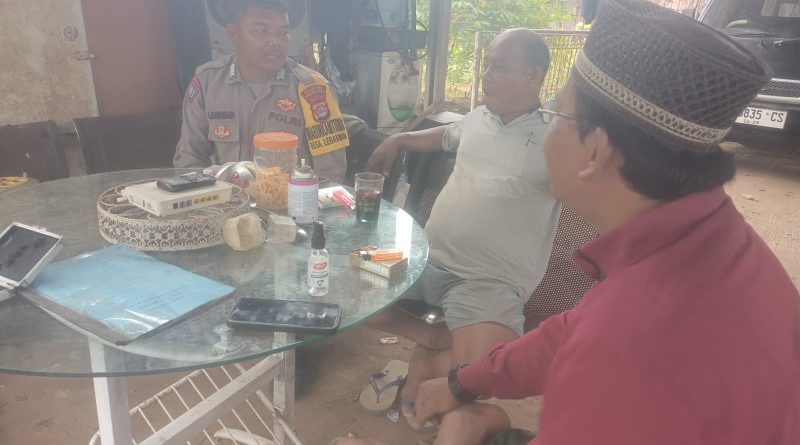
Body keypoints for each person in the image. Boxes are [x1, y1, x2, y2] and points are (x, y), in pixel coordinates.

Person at [407, 1, 800, 444]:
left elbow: (603, 342)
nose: (544, 125)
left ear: (595, 152)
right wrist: (464, 382)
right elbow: (572, 331)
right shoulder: (712, 240)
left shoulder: (627, 350)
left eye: (555, 114)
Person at [362, 28, 561, 428]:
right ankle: (429, 337)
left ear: (533, 76)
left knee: (486, 371)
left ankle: (426, 366)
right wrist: (399, 139)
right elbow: (445, 135)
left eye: (498, 67)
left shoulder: (556, 136)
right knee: (337, 283)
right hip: (423, 258)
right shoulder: (478, 118)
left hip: (486, 281)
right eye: (486, 64)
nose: (486, 75)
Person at [173, 0, 349, 184]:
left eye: (283, 33)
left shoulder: (312, 88)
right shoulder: (207, 82)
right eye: (261, 31)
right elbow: (189, 160)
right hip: (225, 198)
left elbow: (330, 174)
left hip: (290, 200)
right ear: (233, 33)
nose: (275, 42)